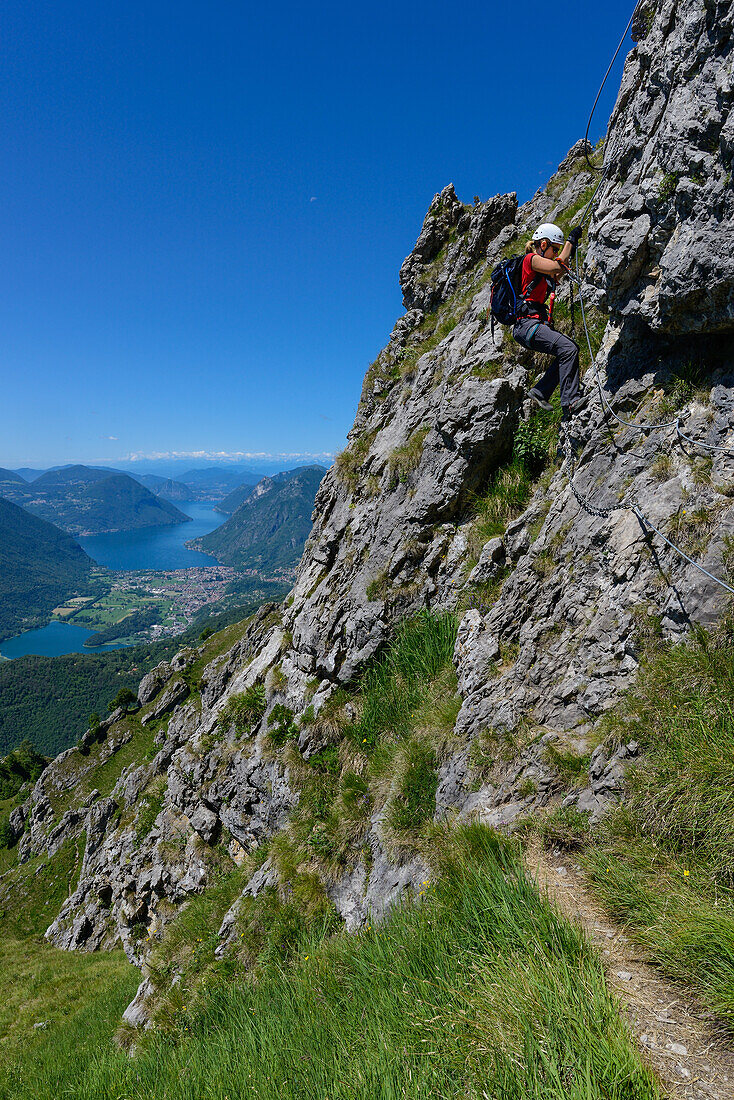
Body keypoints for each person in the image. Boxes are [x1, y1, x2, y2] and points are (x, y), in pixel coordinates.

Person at [513, 222, 587, 417]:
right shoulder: (531, 259)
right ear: (543, 244)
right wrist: (569, 242)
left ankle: (540, 391)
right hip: (526, 324)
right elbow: (556, 266)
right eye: (554, 249)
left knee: (570, 349)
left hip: (531, 325)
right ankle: (570, 402)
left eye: (557, 250)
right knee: (567, 348)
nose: (556, 253)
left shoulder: (544, 271)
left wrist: (569, 250)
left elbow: (560, 269)